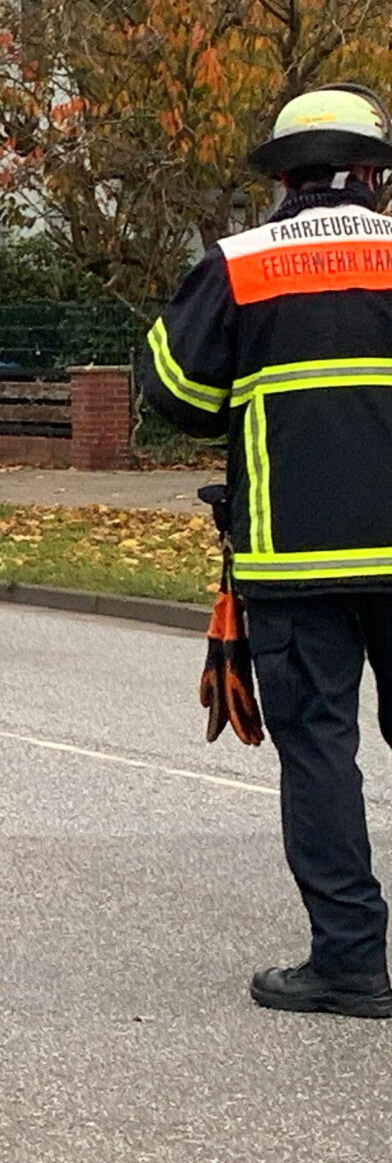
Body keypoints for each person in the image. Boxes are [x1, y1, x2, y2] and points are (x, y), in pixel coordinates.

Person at [140, 84, 392, 1018]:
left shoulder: (241, 265)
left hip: (294, 559)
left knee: (321, 754)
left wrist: (248, 398)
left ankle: (352, 966)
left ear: (285, 178)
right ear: (373, 174)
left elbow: (171, 390)